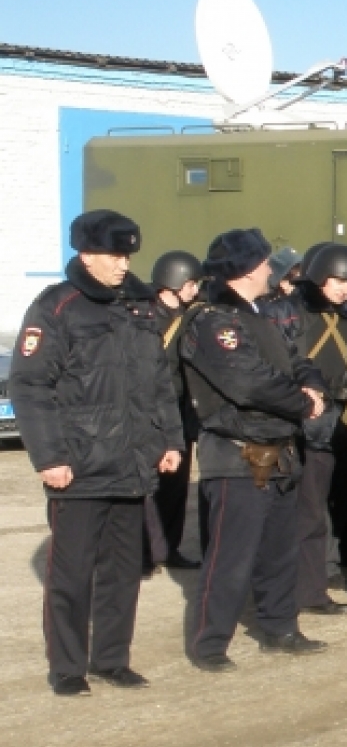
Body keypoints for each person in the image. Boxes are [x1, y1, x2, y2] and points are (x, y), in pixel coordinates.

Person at [14, 210, 184, 695]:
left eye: (127, 254)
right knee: (70, 575)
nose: (122, 264)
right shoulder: (57, 307)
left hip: (131, 464)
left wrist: (169, 440)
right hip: (79, 467)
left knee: (123, 571)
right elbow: (29, 386)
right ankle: (67, 668)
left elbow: (157, 382)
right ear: (85, 254)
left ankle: (112, 659)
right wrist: (50, 458)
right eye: (113, 254)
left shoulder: (139, 305)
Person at [181, 228, 329, 672]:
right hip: (236, 452)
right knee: (231, 554)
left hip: (279, 447)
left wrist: (313, 385)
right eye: (264, 262)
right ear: (245, 270)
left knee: (279, 549)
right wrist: (304, 401)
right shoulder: (213, 319)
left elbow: (297, 360)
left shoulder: (260, 313)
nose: (270, 269)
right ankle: (210, 645)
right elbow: (245, 382)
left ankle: (280, 626)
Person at [262, 242, 347, 619]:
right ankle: (299, 587)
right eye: (337, 280)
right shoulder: (282, 314)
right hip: (291, 426)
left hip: (333, 429)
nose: (343, 289)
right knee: (295, 512)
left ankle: (314, 582)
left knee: (316, 510)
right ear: (318, 276)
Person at [146, 249, 205, 573]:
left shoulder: (190, 317)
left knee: (176, 487)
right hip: (151, 413)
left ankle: (170, 547)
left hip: (181, 413)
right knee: (149, 487)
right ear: (174, 281)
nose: (195, 290)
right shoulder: (144, 317)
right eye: (191, 283)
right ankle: (146, 550)